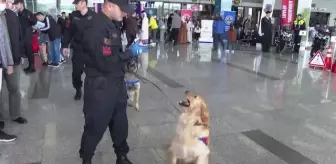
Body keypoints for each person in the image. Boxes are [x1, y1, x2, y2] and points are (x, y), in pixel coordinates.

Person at [79, 0, 137, 163]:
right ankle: (87, 158)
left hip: (116, 82)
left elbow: (113, 53)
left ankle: (121, 156)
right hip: (100, 85)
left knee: (120, 122)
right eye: (122, 10)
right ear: (109, 5)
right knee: (95, 125)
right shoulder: (95, 27)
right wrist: (129, 54)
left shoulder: (113, 24)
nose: (125, 13)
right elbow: (104, 62)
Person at [62, 0, 97, 100]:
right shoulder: (73, 15)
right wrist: (65, 45)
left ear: (84, 3)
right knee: (76, 72)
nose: (75, 5)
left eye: (77, 3)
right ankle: (78, 89)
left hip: (91, 50)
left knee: (93, 72)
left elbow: (98, 33)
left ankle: (92, 91)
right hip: (78, 49)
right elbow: (68, 31)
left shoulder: (94, 16)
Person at [0, 0, 21, 142]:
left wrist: (19, 56)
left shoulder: (12, 16)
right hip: (3, 60)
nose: (6, 3)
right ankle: (1, 118)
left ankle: (15, 114)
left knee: (14, 87)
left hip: (12, 58)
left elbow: (16, 37)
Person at [13, 0, 37, 73]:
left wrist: (30, 18)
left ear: (21, 4)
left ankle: (32, 67)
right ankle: (30, 66)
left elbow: (34, 22)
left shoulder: (28, 12)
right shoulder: (18, 13)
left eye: (16, 4)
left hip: (27, 33)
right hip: (22, 33)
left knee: (29, 50)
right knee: (26, 50)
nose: (16, 6)